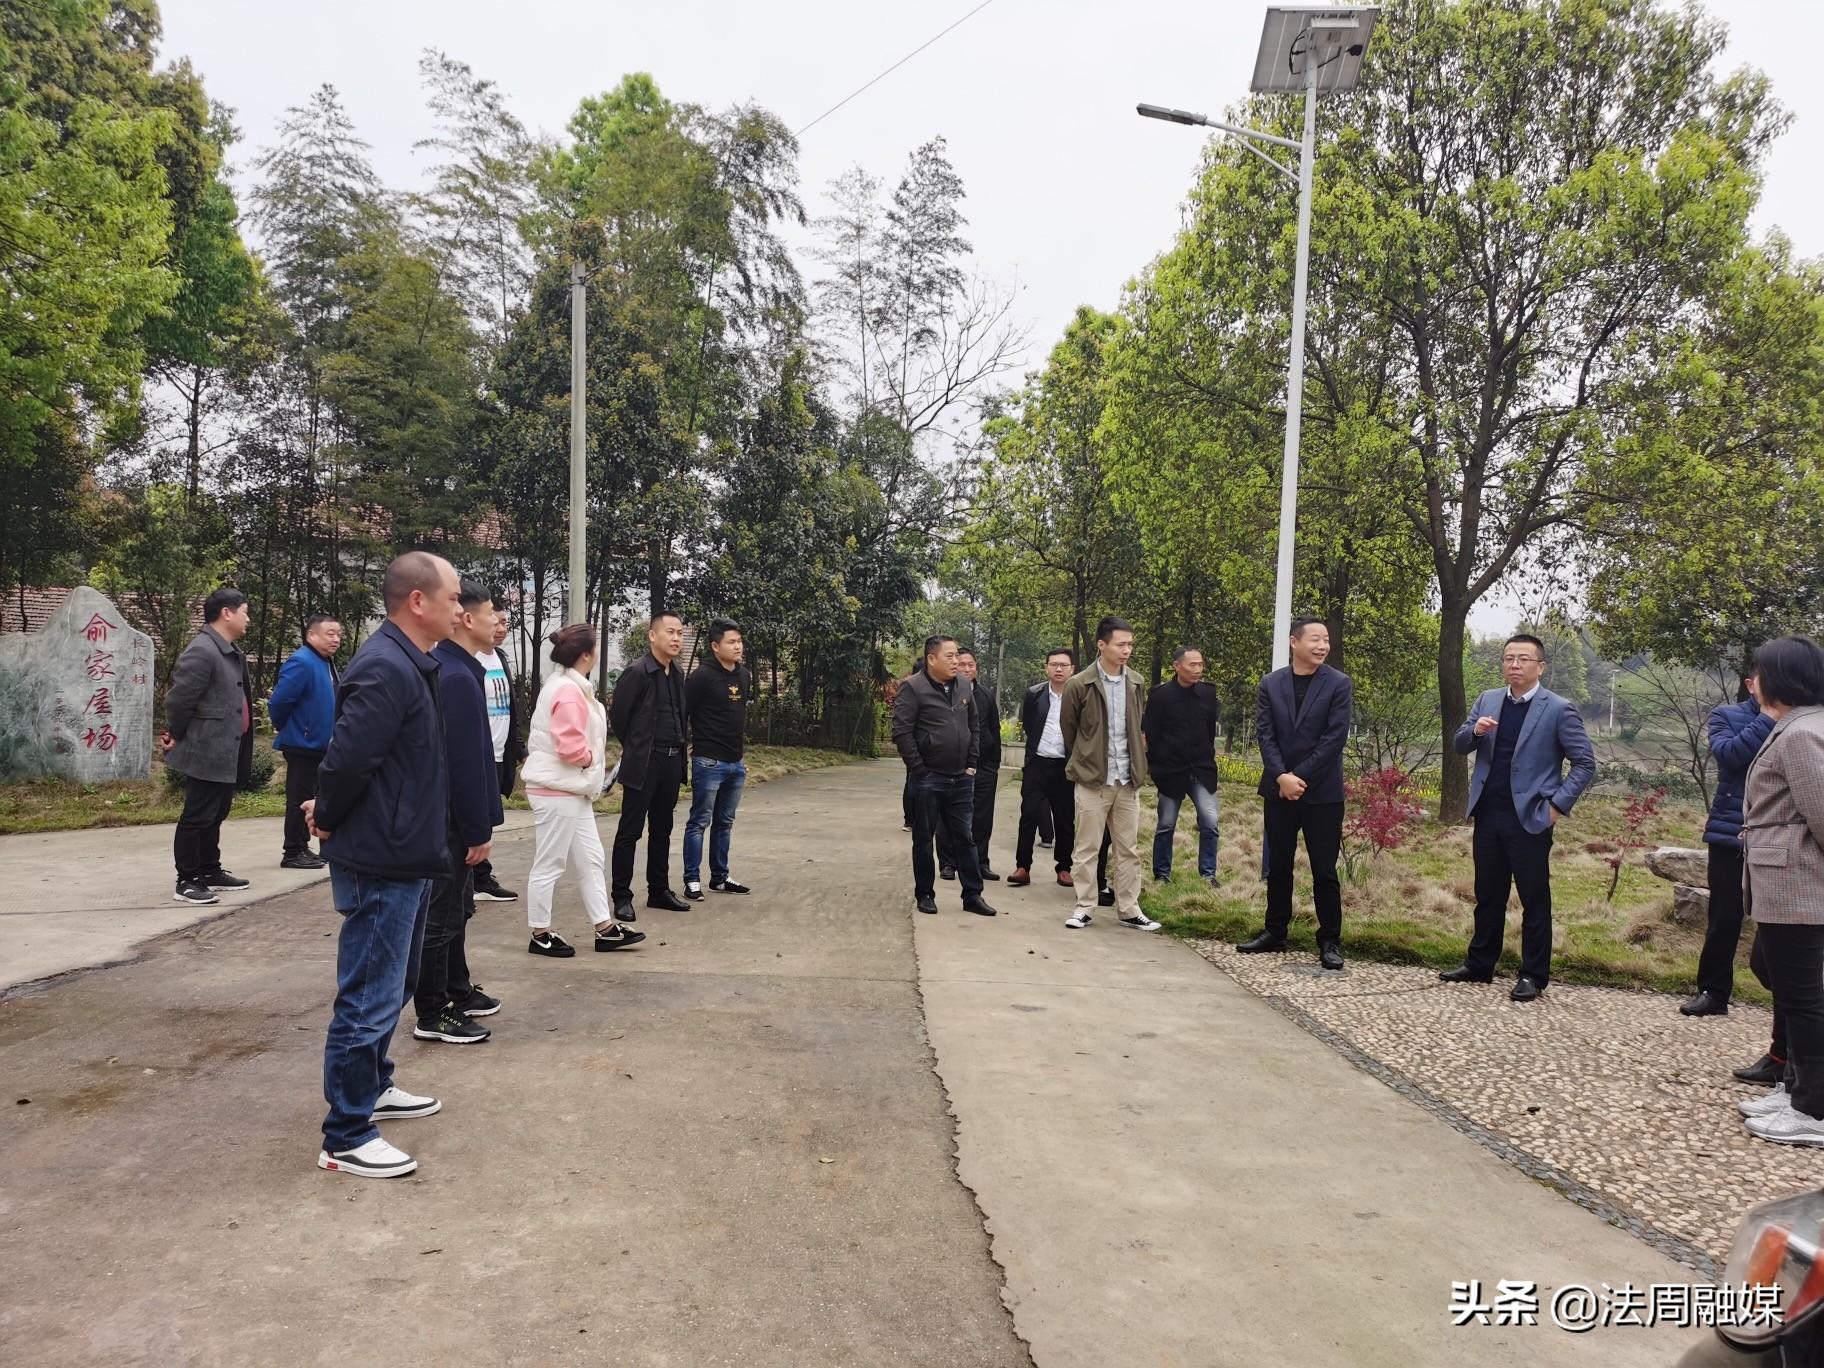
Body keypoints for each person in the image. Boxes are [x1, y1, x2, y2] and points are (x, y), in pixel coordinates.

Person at [307, 552, 461, 1179]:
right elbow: (346, 760)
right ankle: (346, 1133)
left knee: (395, 985)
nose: (460, 608)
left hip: (408, 851)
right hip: (381, 856)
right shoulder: (384, 666)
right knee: (370, 994)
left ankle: (372, 1087)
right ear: (418, 601)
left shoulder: (412, 662)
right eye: (453, 596)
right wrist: (328, 814)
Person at [1438, 632, 1596, 1002]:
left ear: (1540, 666)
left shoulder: (1558, 709)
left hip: (1531, 817)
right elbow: (1459, 743)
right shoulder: (1488, 699)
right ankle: (1480, 963)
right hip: (1488, 812)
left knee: (1534, 899)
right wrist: (1476, 731)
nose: (1514, 665)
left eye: (1523, 659)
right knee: (1488, 894)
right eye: (1509, 658)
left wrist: (1556, 807)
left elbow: (1585, 763)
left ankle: (1533, 975)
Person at [1736, 636, 1824, 1147]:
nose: (1754, 681)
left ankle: (1814, 1108)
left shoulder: (1803, 733)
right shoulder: (1794, 726)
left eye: (1760, 672)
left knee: (1804, 998)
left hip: (1799, 885)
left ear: (1782, 678)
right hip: (1784, 883)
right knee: (1784, 984)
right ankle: (1795, 1088)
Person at [411, 581, 503, 1047]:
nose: (497, 621)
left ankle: (455, 988)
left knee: (458, 908)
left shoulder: (460, 668)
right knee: (441, 915)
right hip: (448, 821)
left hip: (453, 819)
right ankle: (432, 1011)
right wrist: (476, 829)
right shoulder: (455, 676)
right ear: (467, 619)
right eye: (491, 613)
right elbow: (461, 764)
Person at [521, 624, 646, 956]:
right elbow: (570, 748)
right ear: (587, 655)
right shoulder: (568, 691)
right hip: (558, 789)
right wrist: (591, 760)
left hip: (570, 789)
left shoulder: (567, 685)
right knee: (550, 863)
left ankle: (604, 927)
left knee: (591, 859)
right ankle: (540, 932)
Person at [1238, 619, 1353, 969]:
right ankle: (1275, 931)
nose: (1322, 646)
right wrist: (1281, 777)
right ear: (1294, 642)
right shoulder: (1271, 684)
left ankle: (1330, 939)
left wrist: (1297, 777)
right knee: (1278, 866)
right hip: (1279, 791)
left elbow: (1334, 738)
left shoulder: (1339, 684)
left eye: (1326, 640)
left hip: (1322, 794)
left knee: (1324, 870)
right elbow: (1265, 735)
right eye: (1315, 639)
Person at [1681, 673, 1774, 1019]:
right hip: (1730, 833)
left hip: (1779, 836)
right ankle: (1713, 992)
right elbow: (1730, 755)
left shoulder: (1803, 719)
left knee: (1782, 918)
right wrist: (1768, 716)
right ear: (1750, 684)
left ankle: (1789, 993)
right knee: (1723, 916)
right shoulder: (1727, 716)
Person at [1059, 617, 1160, 932]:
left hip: (1127, 780)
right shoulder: (1080, 684)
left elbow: (1137, 727)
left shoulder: (1136, 682)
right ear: (1101, 645)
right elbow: (1069, 730)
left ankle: (1129, 909)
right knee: (1087, 848)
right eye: (1120, 644)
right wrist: (1087, 758)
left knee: (1128, 849)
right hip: (1093, 780)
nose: (1126, 650)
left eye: (1130, 644)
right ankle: (1084, 907)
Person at [163, 587, 256, 906]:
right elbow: (179, 700)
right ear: (226, 613)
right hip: (206, 746)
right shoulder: (203, 650)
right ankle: (187, 879)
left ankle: (209, 868)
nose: (248, 619)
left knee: (216, 812)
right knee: (198, 814)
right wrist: (177, 733)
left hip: (225, 748)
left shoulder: (227, 650)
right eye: (245, 612)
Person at [892, 635, 997, 917]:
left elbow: (974, 724)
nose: (956, 662)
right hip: (928, 778)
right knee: (924, 839)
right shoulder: (912, 688)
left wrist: (971, 762)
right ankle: (925, 894)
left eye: (957, 656)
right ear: (931, 659)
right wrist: (919, 768)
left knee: (965, 837)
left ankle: (972, 895)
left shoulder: (962, 685)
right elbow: (902, 732)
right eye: (949, 656)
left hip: (961, 777)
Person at [610, 611, 691, 919]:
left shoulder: (677, 673)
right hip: (644, 762)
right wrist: (637, 746)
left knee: (662, 828)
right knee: (630, 830)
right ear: (652, 636)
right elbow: (620, 718)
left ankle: (658, 890)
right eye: (670, 632)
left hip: (672, 760)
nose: (676, 638)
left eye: (679, 633)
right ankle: (622, 896)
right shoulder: (638, 672)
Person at [682, 618, 753, 899]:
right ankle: (692, 880)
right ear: (715, 646)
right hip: (708, 762)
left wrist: (740, 758)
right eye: (731, 642)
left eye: (739, 641)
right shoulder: (701, 677)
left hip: (735, 763)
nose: (737, 646)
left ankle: (720, 877)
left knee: (725, 822)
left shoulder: (744, 675)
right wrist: (689, 746)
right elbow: (683, 713)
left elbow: (737, 717)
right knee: (699, 821)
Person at [267, 613, 341, 870]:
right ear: (311, 635)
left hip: (322, 744)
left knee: (313, 796)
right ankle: (292, 850)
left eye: (338, 634)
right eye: (330, 634)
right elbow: (279, 701)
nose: (336, 639)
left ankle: (303, 845)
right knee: (299, 798)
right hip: (303, 744)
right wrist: (290, 727)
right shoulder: (302, 661)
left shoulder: (325, 662)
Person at [1145, 646, 1222, 885]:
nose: (1198, 669)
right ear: (1177, 666)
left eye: (1200, 664)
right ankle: (1162, 874)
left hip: (1201, 770)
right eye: (1192, 665)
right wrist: (1156, 766)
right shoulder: (1160, 695)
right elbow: (1151, 733)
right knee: (1166, 824)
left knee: (1210, 822)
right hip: (1170, 771)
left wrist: (1208, 757)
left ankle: (1208, 875)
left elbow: (1209, 731)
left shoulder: (1208, 693)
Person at [1009, 649, 1077, 888]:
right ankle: (1022, 867)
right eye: (1054, 664)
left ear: (1072, 669)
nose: (1058, 669)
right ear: (1046, 667)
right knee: (1028, 815)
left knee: (1065, 819)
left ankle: (1064, 867)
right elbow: (1029, 725)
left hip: (1065, 766)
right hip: (1037, 764)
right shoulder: (1034, 694)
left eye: (1063, 665)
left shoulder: (1078, 695)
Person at [471, 593, 523, 903]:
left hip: (501, 750)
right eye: (496, 620)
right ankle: (476, 879)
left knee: (489, 815)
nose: (501, 628)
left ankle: (478, 877)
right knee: (476, 816)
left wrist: (519, 747)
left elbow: (510, 707)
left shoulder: (500, 658)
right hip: (479, 752)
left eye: (505, 622)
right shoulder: (470, 658)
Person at [939, 648, 1001, 881]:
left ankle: (980, 862)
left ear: (977, 668)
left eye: (971, 665)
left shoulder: (986, 695)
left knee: (982, 817)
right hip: (953, 766)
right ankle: (948, 863)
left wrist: (994, 764)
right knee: (949, 815)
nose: (966, 669)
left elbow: (994, 729)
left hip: (984, 766)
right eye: (962, 664)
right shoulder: (945, 693)